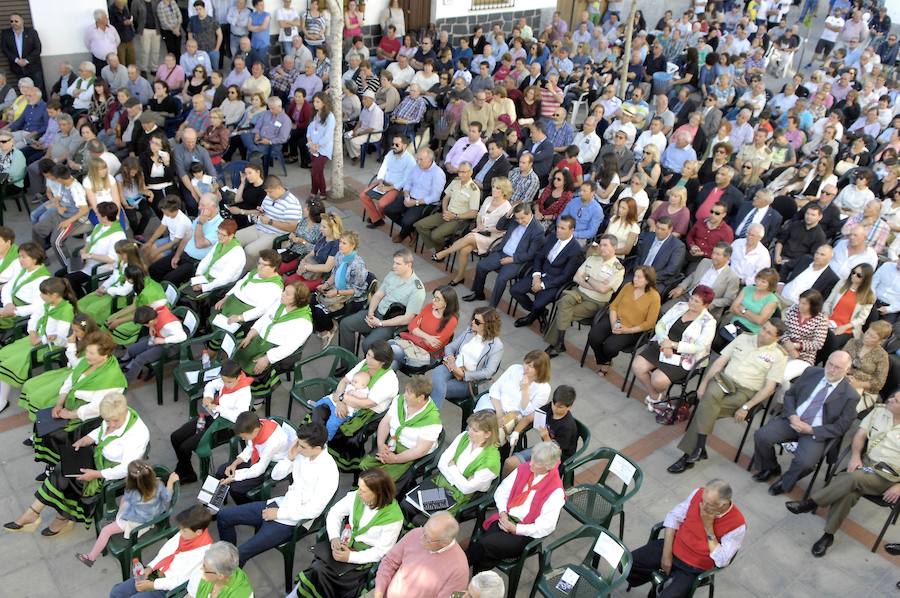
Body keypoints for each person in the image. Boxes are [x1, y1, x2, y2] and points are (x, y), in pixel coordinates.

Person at [7, 392, 148, 535]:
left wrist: (95, 474)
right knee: (64, 470)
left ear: (124, 411)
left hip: (112, 471)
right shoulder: (115, 415)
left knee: (69, 478)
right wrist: (85, 439)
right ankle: (39, 513)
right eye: (107, 421)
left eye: (114, 421)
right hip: (97, 457)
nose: (110, 425)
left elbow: (125, 469)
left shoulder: (138, 434)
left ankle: (47, 516)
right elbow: (100, 431)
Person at [785, 391, 900, 558]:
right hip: (866, 466)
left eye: (895, 401)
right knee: (849, 492)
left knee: (851, 478)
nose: (889, 400)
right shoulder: (878, 411)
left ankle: (811, 502)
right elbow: (860, 435)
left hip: (888, 476)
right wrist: (854, 456)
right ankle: (828, 535)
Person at [668, 320, 788, 474]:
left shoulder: (779, 356)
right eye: (763, 328)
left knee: (705, 408)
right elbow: (720, 362)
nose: (763, 333)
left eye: (769, 333)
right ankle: (696, 450)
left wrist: (747, 407)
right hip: (723, 381)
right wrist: (703, 384)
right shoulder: (744, 338)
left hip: (746, 392)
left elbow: (769, 388)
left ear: (777, 338)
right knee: (709, 397)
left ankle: (692, 453)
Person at [217, 421, 339, 566]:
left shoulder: (329, 472)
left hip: (293, 520)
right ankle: (226, 555)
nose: (298, 448)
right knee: (223, 516)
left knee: (241, 553)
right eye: (298, 444)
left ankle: (228, 578)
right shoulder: (301, 453)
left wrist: (279, 514)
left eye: (302, 446)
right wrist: (289, 457)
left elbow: (313, 511)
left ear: (317, 448)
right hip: (281, 503)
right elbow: (275, 476)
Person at [752, 352, 860, 496]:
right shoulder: (812, 373)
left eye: (838, 368)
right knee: (761, 436)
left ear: (847, 370)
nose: (831, 370)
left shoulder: (850, 396)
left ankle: (786, 481)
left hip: (815, 432)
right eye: (830, 364)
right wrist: (792, 416)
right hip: (793, 420)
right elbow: (790, 395)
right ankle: (770, 467)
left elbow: (841, 427)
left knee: (806, 463)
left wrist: (811, 430)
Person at [290, 468, 403, 598]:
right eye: (359, 487)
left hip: (363, 559)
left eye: (363, 490)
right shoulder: (356, 497)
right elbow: (334, 513)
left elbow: (381, 551)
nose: (358, 492)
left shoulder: (393, 519)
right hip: (344, 543)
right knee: (317, 567)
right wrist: (334, 537)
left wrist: (350, 557)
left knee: (318, 568)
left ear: (377, 492)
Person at [626, 480, 745, 596]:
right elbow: (673, 517)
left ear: (722, 505)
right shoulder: (698, 494)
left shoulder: (737, 525)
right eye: (703, 500)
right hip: (673, 546)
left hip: (693, 568)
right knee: (627, 563)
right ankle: (659, 584)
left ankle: (663, 587)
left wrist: (708, 527)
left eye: (708, 504)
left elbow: (722, 560)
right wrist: (666, 554)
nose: (702, 506)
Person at [465, 441, 564, 573]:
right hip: (506, 518)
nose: (531, 463)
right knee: (486, 550)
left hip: (525, 533)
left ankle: (460, 568)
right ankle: (474, 580)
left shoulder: (555, 491)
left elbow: (546, 526)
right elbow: (502, 491)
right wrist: (503, 513)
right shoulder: (524, 468)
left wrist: (516, 529)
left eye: (537, 463)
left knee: (484, 544)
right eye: (532, 458)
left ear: (549, 466)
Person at [76, 459, 177, 566]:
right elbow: (167, 498)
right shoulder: (159, 484)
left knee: (106, 530)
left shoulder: (132, 492)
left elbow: (126, 505)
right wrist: (170, 482)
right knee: (124, 502)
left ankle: (91, 557)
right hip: (153, 515)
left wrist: (120, 514)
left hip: (135, 523)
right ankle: (116, 522)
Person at [631, 285, 717, 407]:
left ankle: (657, 396)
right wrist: (665, 343)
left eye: (696, 301)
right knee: (637, 366)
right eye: (692, 298)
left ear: (705, 305)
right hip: (663, 344)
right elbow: (661, 324)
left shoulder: (709, 322)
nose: (691, 302)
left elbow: (699, 347)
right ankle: (656, 397)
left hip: (685, 356)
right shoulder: (680, 306)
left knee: (658, 380)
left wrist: (673, 345)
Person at [0, 277, 76, 412]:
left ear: (55, 295)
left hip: (49, 345)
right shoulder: (47, 304)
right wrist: (32, 332)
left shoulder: (66, 310)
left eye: (43, 294)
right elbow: (34, 318)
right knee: (4, 354)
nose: (40, 296)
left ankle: (2, 400)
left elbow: (61, 335)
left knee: (11, 362)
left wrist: (42, 340)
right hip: (36, 338)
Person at [170, 359, 253, 483]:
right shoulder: (226, 380)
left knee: (185, 446)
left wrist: (218, 408)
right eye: (224, 381)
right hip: (212, 416)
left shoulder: (244, 392)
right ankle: (185, 471)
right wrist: (208, 397)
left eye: (229, 382)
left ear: (238, 377)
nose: (226, 385)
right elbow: (211, 385)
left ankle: (184, 472)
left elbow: (239, 417)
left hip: (226, 426)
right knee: (176, 437)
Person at [106, 504, 214, 598]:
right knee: (117, 592)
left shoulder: (204, 554)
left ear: (198, 532)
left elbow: (179, 581)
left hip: (167, 587)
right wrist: (150, 567)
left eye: (184, 531)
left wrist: (153, 585)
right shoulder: (187, 534)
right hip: (157, 572)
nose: (180, 533)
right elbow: (165, 553)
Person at [544, 235, 624, 358]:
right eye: (600, 244)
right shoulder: (593, 258)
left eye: (605, 245)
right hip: (578, 292)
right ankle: (559, 343)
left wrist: (587, 278)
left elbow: (603, 290)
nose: (601, 248)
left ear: (614, 247)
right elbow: (576, 277)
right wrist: (594, 285)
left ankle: (557, 343)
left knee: (564, 309)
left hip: (595, 302)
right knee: (564, 301)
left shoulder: (618, 269)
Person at [338, 248, 426, 355]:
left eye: (398, 264)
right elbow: (378, 295)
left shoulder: (417, 290)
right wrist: (370, 312)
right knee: (345, 324)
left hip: (391, 323)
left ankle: (370, 369)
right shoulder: (392, 274)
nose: (394, 266)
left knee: (368, 345)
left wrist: (380, 323)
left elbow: (407, 318)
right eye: (394, 262)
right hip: (376, 313)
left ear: (409, 265)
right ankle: (347, 364)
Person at [311, 342, 399, 444]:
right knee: (320, 411)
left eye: (373, 358)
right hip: (346, 399)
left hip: (366, 412)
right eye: (368, 355)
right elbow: (344, 381)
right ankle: (313, 441)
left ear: (383, 362)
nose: (368, 360)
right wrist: (340, 402)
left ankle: (322, 443)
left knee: (337, 425)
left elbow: (368, 403)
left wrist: (341, 398)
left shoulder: (389, 380)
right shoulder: (365, 363)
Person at [359, 376, 443, 481]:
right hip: (391, 444)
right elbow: (385, 423)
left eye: (409, 393)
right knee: (366, 466)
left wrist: (395, 459)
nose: (405, 395)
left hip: (411, 455)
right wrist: (381, 444)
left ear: (421, 398)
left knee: (383, 480)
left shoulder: (432, 420)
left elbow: (420, 450)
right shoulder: (400, 400)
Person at [432, 177, 513, 287]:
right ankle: (460, 276)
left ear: (504, 191)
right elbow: (479, 215)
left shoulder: (507, 207)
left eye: (497, 188)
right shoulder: (488, 199)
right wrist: (479, 225)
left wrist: (485, 228)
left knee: (470, 237)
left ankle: (445, 252)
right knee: (464, 250)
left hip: (493, 237)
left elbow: (503, 229)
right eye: (493, 187)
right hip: (480, 232)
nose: (494, 189)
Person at [464, 202, 544, 306]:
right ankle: (478, 293)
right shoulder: (515, 220)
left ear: (530, 213)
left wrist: (512, 259)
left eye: (522, 218)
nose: (519, 221)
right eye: (517, 218)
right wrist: (508, 214)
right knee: (481, 266)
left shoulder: (538, 230)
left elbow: (531, 254)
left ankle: (492, 307)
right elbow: (499, 226)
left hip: (517, 260)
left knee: (501, 278)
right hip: (502, 252)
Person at [373, 512, 470, 598]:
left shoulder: (460, 571)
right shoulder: (416, 533)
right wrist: (379, 591)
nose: (421, 538)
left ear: (445, 542)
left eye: (428, 538)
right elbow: (389, 562)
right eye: (424, 530)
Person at [511, 216, 584, 328]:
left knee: (537, 303)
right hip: (540, 273)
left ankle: (531, 317)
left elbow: (565, 276)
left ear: (572, 230)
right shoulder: (552, 237)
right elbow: (539, 257)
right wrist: (536, 276)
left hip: (555, 282)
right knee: (515, 290)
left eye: (563, 228)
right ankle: (539, 312)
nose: (558, 230)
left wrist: (542, 285)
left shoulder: (576, 250)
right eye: (558, 227)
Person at [587, 265, 661, 375]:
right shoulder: (628, 286)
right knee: (593, 336)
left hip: (632, 328)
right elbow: (614, 306)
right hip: (615, 319)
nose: (635, 279)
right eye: (635, 276)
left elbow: (650, 323)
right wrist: (613, 324)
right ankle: (605, 361)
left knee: (610, 347)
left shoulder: (654, 297)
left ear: (647, 280)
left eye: (639, 277)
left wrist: (626, 330)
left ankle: (605, 361)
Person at [428, 306, 503, 408]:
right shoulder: (470, 331)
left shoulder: (496, 345)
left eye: (477, 322)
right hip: (452, 366)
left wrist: (464, 374)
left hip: (469, 381)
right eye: (473, 318)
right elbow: (451, 346)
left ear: (488, 325)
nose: (472, 322)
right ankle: (430, 418)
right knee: (436, 375)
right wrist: (450, 358)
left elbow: (488, 372)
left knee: (435, 387)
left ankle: (429, 417)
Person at [216, 411, 295, 504]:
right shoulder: (258, 424)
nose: (243, 439)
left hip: (270, 464)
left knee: (236, 489)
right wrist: (235, 463)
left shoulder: (273, 442)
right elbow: (250, 447)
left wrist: (235, 477)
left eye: (244, 436)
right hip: (257, 456)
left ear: (256, 431)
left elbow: (260, 469)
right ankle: (218, 502)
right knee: (221, 471)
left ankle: (248, 508)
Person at [474, 351, 551, 444]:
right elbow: (495, 388)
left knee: (486, 435)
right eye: (526, 363)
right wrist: (499, 412)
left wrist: (525, 390)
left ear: (540, 370)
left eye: (531, 367)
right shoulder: (514, 369)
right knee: (477, 426)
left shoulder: (544, 389)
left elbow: (527, 412)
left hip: (512, 416)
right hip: (494, 404)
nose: (526, 368)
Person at [504, 385, 579, 475]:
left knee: (521, 470)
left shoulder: (567, 427)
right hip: (544, 447)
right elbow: (528, 418)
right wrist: (516, 432)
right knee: (509, 463)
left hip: (555, 458)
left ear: (569, 407)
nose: (555, 408)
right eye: (554, 403)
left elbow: (554, 452)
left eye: (560, 407)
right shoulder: (550, 408)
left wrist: (546, 437)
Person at [235, 176, 302, 265]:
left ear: (279, 188)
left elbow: (292, 227)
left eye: (270, 192)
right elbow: (263, 210)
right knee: (234, 238)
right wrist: (260, 211)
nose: (268, 195)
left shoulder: (291, 203)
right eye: (266, 192)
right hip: (259, 227)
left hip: (274, 234)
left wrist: (270, 221)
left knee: (249, 251)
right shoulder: (269, 197)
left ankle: (245, 273)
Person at [388, 286, 458, 370]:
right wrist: (427, 337)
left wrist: (416, 332)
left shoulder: (451, 321)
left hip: (426, 354)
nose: (433, 301)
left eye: (437, 299)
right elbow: (411, 326)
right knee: (393, 360)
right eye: (434, 297)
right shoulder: (429, 307)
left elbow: (433, 346)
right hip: (410, 344)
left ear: (446, 303)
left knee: (390, 349)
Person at [385, 147, 446, 244]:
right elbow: (408, 183)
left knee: (406, 221)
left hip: (424, 203)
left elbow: (435, 196)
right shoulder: (416, 167)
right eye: (417, 158)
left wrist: (415, 202)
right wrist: (406, 194)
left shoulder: (438, 173)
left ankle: (403, 234)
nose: (418, 162)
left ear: (430, 160)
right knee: (388, 210)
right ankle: (411, 229)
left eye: (421, 159)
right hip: (410, 196)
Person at [416, 162, 480, 253]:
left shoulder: (474, 190)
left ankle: (440, 250)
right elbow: (446, 198)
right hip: (446, 213)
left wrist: (455, 216)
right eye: (459, 171)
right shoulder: (455, 181)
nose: (461, 174)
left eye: (464, 172)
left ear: (470, 172)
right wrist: (445, 210)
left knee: (435, 235)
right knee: (419, 225)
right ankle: (441, 247)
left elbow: (473, 213)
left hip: (459, 220)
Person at [119, 304, 187, 382]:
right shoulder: (154, 313)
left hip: (170, 346)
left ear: (150, 321)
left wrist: (164, 340)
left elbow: (183, 336)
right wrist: (151, 327)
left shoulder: (169, 326)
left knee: (140, 359)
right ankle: (129, 363)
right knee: (132, 349)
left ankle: (126, 381)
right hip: (157, 338)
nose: (145, 326)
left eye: (145, 324)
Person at [821, 264, 876, 356]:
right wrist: (825, 316)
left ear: (865, 279)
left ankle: (826, 363)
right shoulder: (842, 283)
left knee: (832, 339)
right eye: (853, 272)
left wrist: (844, 327)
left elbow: (861, 319)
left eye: (858, 275)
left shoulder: (869, 295)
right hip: (829, 320)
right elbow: (828, 302)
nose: (854, 276)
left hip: (848, 328)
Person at [843, 320, 891, 412]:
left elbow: (879, 383)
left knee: (846, 410)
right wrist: (844, 372)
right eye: (868, 332)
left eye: (872, 336)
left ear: (881, 341)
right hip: (843, 378)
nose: (867, 337)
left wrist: (858, 384)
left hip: (865, 390)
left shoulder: (882, 356)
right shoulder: (853, 342)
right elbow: (840, 359)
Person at [632, 217, 686, 293]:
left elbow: (670, 270)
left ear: (670, 230)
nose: (659, 231)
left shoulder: (677, 246)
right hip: (639, 273)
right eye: (657, 228)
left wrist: (648, 278)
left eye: (663, 229)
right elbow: (639, 256)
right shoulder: (649, 236)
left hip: (658, 280)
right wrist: (637, 271)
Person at [184, 541, 253, 597]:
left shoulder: (241, 594)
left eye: (206, 569)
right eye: (203, 564)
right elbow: (191, 596)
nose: (201, 569)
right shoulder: (198, 576)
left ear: (220, 576)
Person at [1, 14, 44, 95]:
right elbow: (5, 49)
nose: (13, 23)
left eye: (16, 21)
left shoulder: (31, 32)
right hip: (18, 68)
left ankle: (40, 106)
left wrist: (26, 60)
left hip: (33, 67)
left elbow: (37, 49)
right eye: (11, 21)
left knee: (38, 89)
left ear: (22, 21)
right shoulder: (6, 33)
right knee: (24, 90)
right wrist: (17, 60)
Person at [307, 91, 336, 199]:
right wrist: (310, 142)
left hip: (323, 149)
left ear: (324, 103)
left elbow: (328, 135)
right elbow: (309, 129)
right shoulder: (315, 114)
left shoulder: (330, 117)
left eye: (317, 101)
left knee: (315, 171)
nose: (315, 104)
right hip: (312, 147)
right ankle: (315, 191)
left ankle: (322, 193)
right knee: (316, 172)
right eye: (314, 101)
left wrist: (317, 146)